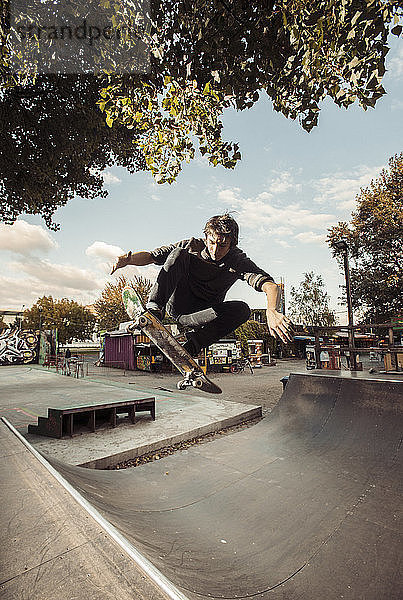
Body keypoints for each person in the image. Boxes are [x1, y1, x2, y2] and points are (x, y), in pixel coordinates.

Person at [111, 214, 293, 356]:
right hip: (178, 307)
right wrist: (128, 260)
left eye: (222, 245)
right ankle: (154, 310)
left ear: (232, 244)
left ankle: (191, 347)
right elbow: (151, 256)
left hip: (201, 315)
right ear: (206, 238)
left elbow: (270, 285)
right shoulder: (191, 246)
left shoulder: (237, 260)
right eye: (212, 243)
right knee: (178, 254)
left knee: (243, 309)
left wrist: (272, 310)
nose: (215, 250)